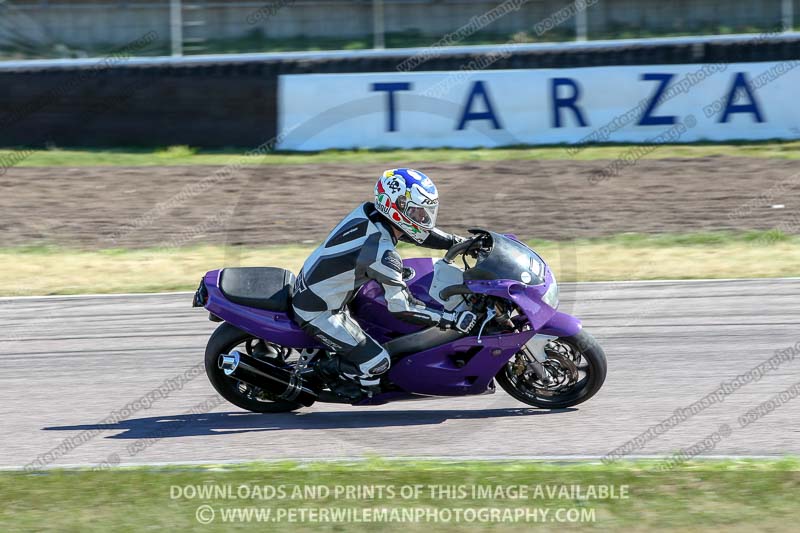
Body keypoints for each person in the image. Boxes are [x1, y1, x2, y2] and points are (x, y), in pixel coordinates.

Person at [291, 168, 477, 397]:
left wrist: (460, 242)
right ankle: (322, 374)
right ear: (395, 207)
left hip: (329, 288)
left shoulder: (371, 213)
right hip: (320, 310)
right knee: (377, 363)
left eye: (426, 212)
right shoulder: (381, 252)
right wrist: (450, 319)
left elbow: (417, 233)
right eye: (417, 212)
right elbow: (402, 307)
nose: (423, 218)